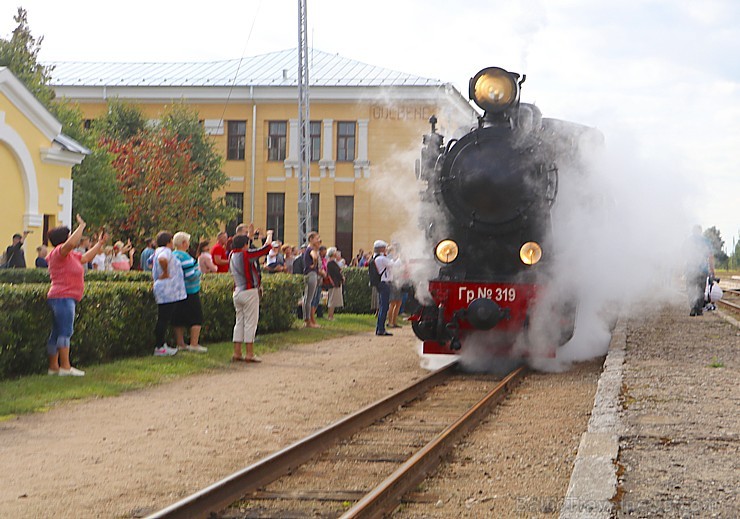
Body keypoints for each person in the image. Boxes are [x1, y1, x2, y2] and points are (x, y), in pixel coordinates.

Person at [46, 215, 107, 376]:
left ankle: (53, 368)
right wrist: (81, 226)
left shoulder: (70, 255)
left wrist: (99, 244)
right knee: (65, 331)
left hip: (62, 297)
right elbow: (71, 243)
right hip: (63, 297)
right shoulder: (59, 252)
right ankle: (65, 367)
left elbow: (86, 257)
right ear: (63, 239)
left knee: (57, 332)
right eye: (69, 235)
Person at [230, 230, 274, 362]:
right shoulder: (245, 254)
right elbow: (266, 249)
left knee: (239, 322)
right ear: (244, 245)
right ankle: (250, 353)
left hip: (238, 290)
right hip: (249, 291)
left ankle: (237, 352)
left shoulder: (232, 254)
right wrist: (269, 235)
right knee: (250, 323)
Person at [151, 231, 186, 356]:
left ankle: (162, 345)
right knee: (163, 319)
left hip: (166, 289)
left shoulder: (160, 250)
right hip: (166, 290)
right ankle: (159, 346)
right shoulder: (164, 251)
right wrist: (165, 271)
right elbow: (162, 259)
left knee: (164, 318)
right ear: (168, 242)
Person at [172, 232, 206, 352]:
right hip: (190, 290)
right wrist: (199, 272)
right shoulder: (185, 257)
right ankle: (194, 343)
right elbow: (190, 275)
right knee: (196, 317)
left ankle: (180, 343)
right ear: (183, 243)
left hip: (176, 291)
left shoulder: (172, 255)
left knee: (178, 317)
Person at [684, 225, 715, 316]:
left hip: (690, 270)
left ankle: (693, 308)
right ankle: (699, 309)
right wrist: (712, 270)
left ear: (693, 231)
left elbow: (683, 255)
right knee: (701, 290)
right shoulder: (706, 241)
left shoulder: (688, 241)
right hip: (703, 270)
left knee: (691, 289)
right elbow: (710, 256)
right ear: (701, 231)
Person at [370, 240, 395, 336]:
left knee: (382, 307)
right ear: (381, 249)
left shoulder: (377, 258)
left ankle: (380, 328)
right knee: (384, 307)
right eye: (384, 248)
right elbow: (394, 264)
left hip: (381, 284)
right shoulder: (381, 259)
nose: (386, 249)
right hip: (384, 284)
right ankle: (380, 329)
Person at [302, 232, 322, 328]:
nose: (318, 240)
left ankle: (307, 320)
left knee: (306, 298)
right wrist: (314, 264)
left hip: (308, 274)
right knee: (309, 299)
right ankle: (308, 321)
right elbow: (314, 256)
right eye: (316, 238)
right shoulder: (311, 249)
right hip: (312, 274)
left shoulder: (308, 249)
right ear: (311, 239)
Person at [387, 244, 403, 329]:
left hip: (397, 281)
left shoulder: (395, 259)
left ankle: (393, 321)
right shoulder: (395, 260)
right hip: (394, 281)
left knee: (398, 302)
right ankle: (390, 322)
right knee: (393, 303)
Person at [326, 247, 344, 320]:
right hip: (334, 283)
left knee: (332, 299)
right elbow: (336, 272)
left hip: (335, 282)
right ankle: (330, 316)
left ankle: (331, 315)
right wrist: (342, 277)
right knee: (332, 300)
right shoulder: (331, 263)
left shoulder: (332, 262)